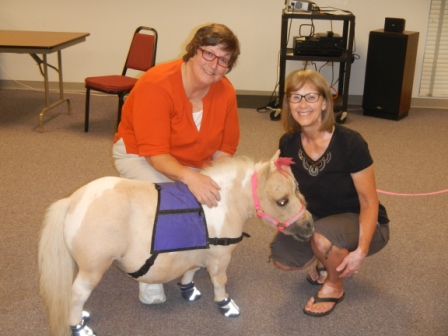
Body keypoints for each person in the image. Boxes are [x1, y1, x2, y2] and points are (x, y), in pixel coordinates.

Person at [112, 23, 241, 305]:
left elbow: (225, 148)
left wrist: (214, 179)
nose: (215, 65)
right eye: (209, 54)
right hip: (140, 153)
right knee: (169, 203)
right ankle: (149, 275)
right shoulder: (156, 84)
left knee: (209, 199)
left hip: (191, 159)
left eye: (224, 60)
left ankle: (186, 258)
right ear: (194, 50)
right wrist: (192, 180)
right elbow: (155, 154)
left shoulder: (226, 92)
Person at [270, 69, 389, 317]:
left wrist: (361, 251)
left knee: (322, 239)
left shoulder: (350, 143)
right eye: (295, 97)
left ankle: (334, 285)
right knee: (283, 259)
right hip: (319, 219)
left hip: (360, 220)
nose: (302, 105)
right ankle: (326, 261)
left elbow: (369, 202)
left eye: (311, 97)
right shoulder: (288, 142)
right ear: (288, 103)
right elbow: (283, 183)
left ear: (325, 102)